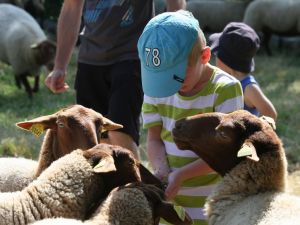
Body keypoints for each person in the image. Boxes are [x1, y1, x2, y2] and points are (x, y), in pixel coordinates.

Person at [137, 10, 243, 224]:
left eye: (176, 76)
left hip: (213, 200)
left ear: (204, 56)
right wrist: (161, 169)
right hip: (173, 197)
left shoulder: (225, 89)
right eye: (160, 77)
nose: (168, 85)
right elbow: (154, 138)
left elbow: (227, 152)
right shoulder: (157, 88)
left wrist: (183, 174)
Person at [44, 0, 186, 158]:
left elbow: (175, 2)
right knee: (95, 139)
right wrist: (59, 66)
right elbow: (72, 6)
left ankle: (136, 181)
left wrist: (175, 45)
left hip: (131, 56)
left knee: (120, 132)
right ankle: (108, 182)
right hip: (90, 60)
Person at [209, 22, 277, 120]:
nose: (214, 58)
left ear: (226, 60)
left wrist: (254, 131)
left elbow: (271, 114)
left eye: (217, 53)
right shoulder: (222, 80)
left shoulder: (248, 88)